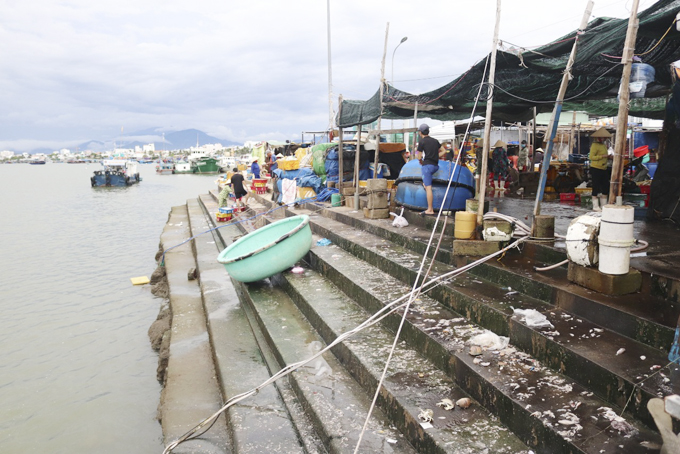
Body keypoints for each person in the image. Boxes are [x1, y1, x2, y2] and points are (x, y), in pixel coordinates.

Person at [416, 123, 443, 215]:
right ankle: (430, 206)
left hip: (427, 166)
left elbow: (419, 156)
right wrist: (435, 156)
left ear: (420, 132)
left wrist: (421, 160)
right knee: (426, 184)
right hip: (435, 166)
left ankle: (430, 209)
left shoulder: (422, 142)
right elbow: (443, 151)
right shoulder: (435, 141)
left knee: (428, 188)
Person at [589, 127, 612, 209]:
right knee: (596, 187)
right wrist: (602, 156)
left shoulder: (603, 145)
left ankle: (603, 206)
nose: (604, 139)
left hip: (604, 168)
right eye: (603, 137)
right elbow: (591, 157)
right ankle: (595, 206)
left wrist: (608, 157)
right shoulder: (594, 145)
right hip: (596, 168)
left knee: (605, 187)